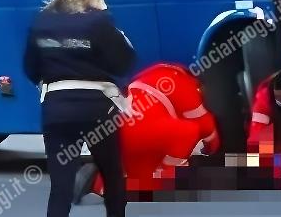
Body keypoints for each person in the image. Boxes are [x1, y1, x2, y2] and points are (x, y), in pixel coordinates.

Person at [23, 0, 158, 217]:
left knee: (60, 187)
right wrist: (103, 15)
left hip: (56, 108)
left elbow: (30, 68)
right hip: (97, 109)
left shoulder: (40, 23)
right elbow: (125, 59)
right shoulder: (98, 21)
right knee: (113, 177)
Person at [74, 62, 221, 200]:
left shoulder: (150, 75)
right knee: (189, 132)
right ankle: (165, 181)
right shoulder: (185, 84)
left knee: (141, 173)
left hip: (119, 132)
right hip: (143, 133)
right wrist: (213, 147)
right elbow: (205, 125)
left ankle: (100, 184)